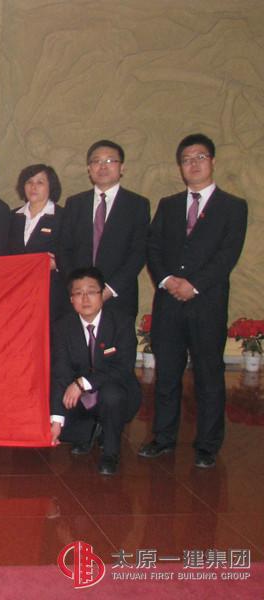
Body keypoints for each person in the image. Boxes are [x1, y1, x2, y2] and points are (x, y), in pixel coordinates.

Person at [139, 133, 248, 469]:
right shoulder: (169, 205)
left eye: (200, 157)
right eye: (187, 160)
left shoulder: (233, 206)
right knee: (167, 374)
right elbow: (153, 247)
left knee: (208, 375)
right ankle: (163, 438)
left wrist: (195, 285)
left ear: (212, 161)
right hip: (169, 303)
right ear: (180, 167)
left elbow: (227, 254)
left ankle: (207, 445)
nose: (193, 164)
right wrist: (168, 280)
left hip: (207, 304)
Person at [50, 267, 141, 475]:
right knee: (63, 430)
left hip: (117, 393)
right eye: (78, 293)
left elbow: (123, 368)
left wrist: (82, 383)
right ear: (71, 299)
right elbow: (61, 372)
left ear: (102, 295)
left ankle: (110, 452)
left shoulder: (121, 322)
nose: (85, 299)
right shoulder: (62, 327)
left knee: (111, 394)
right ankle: (89, 431)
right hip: (81, 399)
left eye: (91, 292)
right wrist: (56, 420)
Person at [58, 140, 150, 318]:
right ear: (89, 168)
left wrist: (109, 290)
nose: (102, 166)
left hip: (118, 297)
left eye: (110, 161)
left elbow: (138, 253)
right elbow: (64, 249)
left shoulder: (137, 205)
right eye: (96, 161)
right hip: (78, 300)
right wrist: (77, 289)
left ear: (122, 167)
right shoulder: (75, 203)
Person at [8, 164, 68, 322]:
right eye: (29, 182)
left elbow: (72, 253)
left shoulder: (63, 216)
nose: (33, 187)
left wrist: (57, 263)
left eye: (40, 182)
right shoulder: (12, 216)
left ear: (51, 186)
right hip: (18, 292)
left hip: (50, 291)